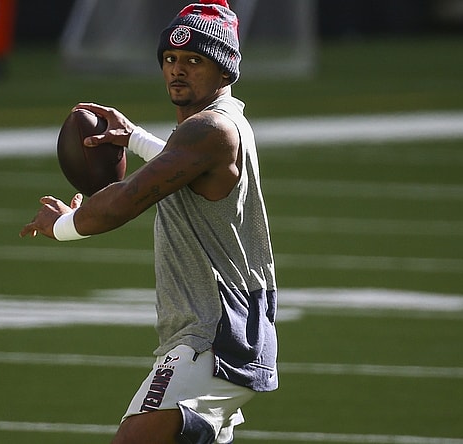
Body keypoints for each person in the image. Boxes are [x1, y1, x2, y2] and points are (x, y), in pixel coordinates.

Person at [20, 1, 278, 442]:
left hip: (213, 335)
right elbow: (184, 169)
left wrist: (64, 224)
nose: (178, 70)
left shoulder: (210, 131)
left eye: (195, 60)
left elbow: (126, 201)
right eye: (171, 59)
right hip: (222, 329)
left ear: (225, 71)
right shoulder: (215, 129)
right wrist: (136, 138)